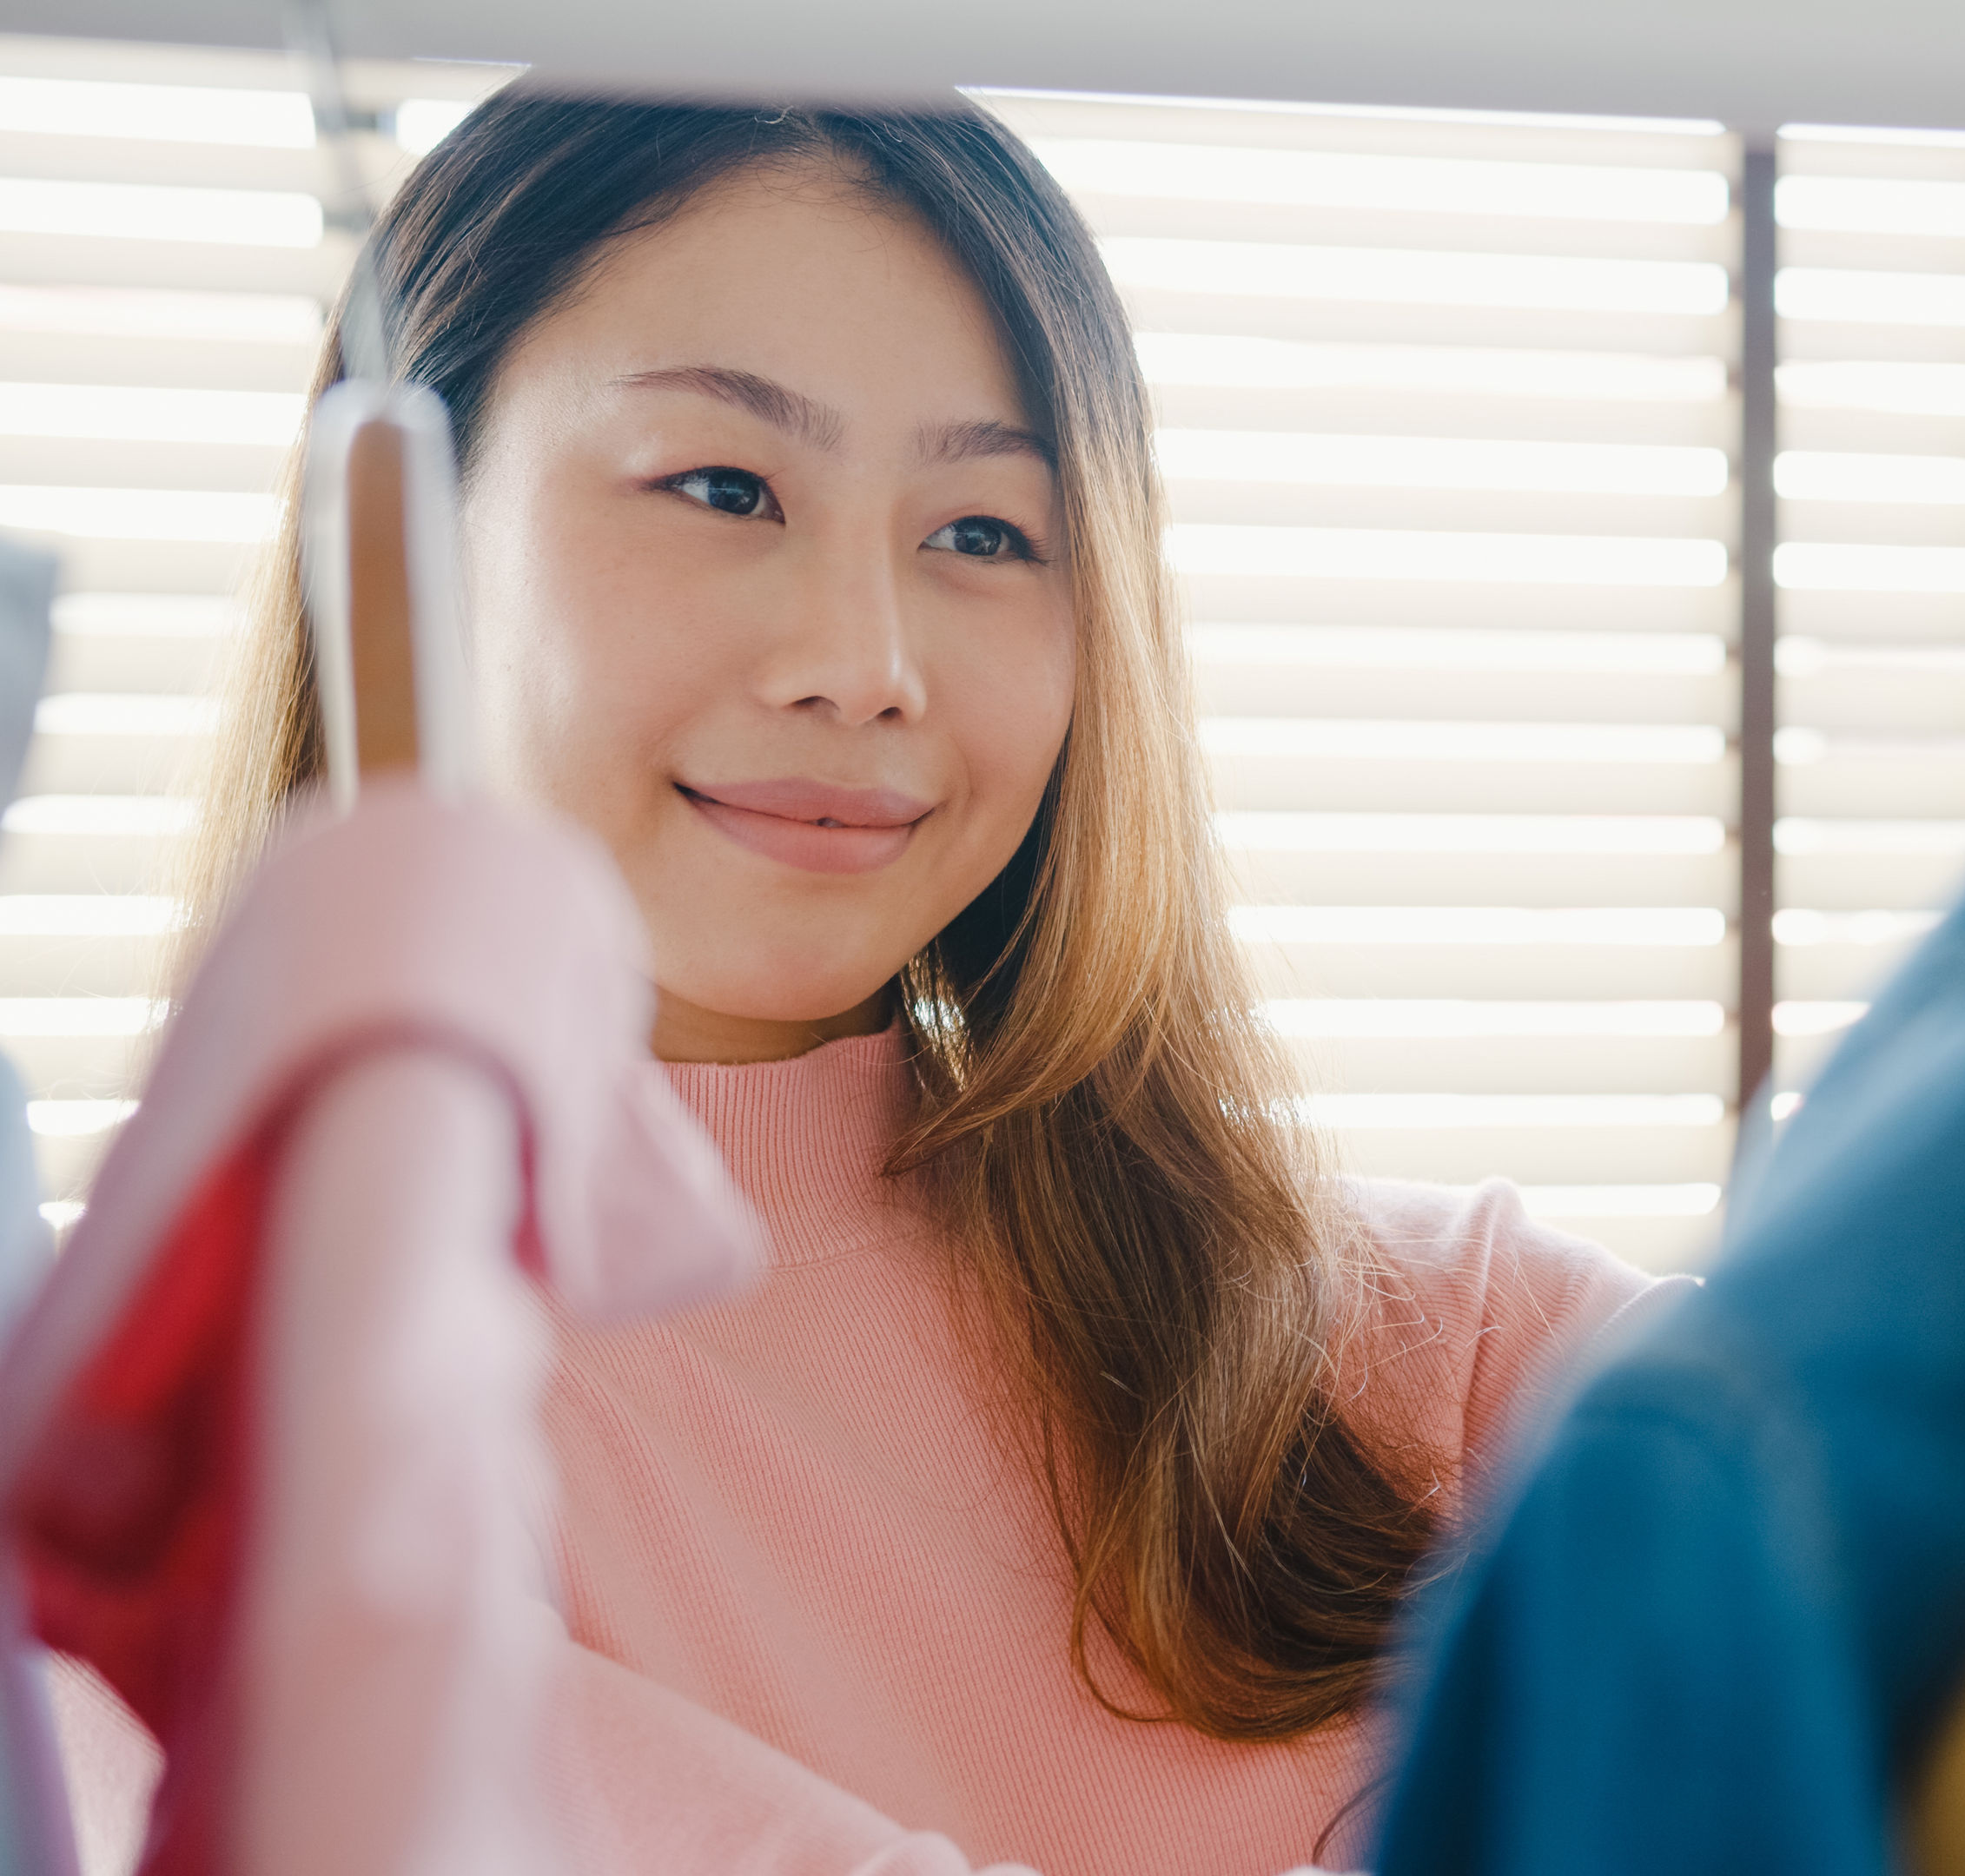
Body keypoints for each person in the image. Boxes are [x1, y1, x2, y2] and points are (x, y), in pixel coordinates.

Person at [92, 89, 1671, 1876]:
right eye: (722, 486)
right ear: (396, 534)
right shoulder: (216, 1472)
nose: (866, 664)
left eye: (987, 531)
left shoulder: (1454, 1357)